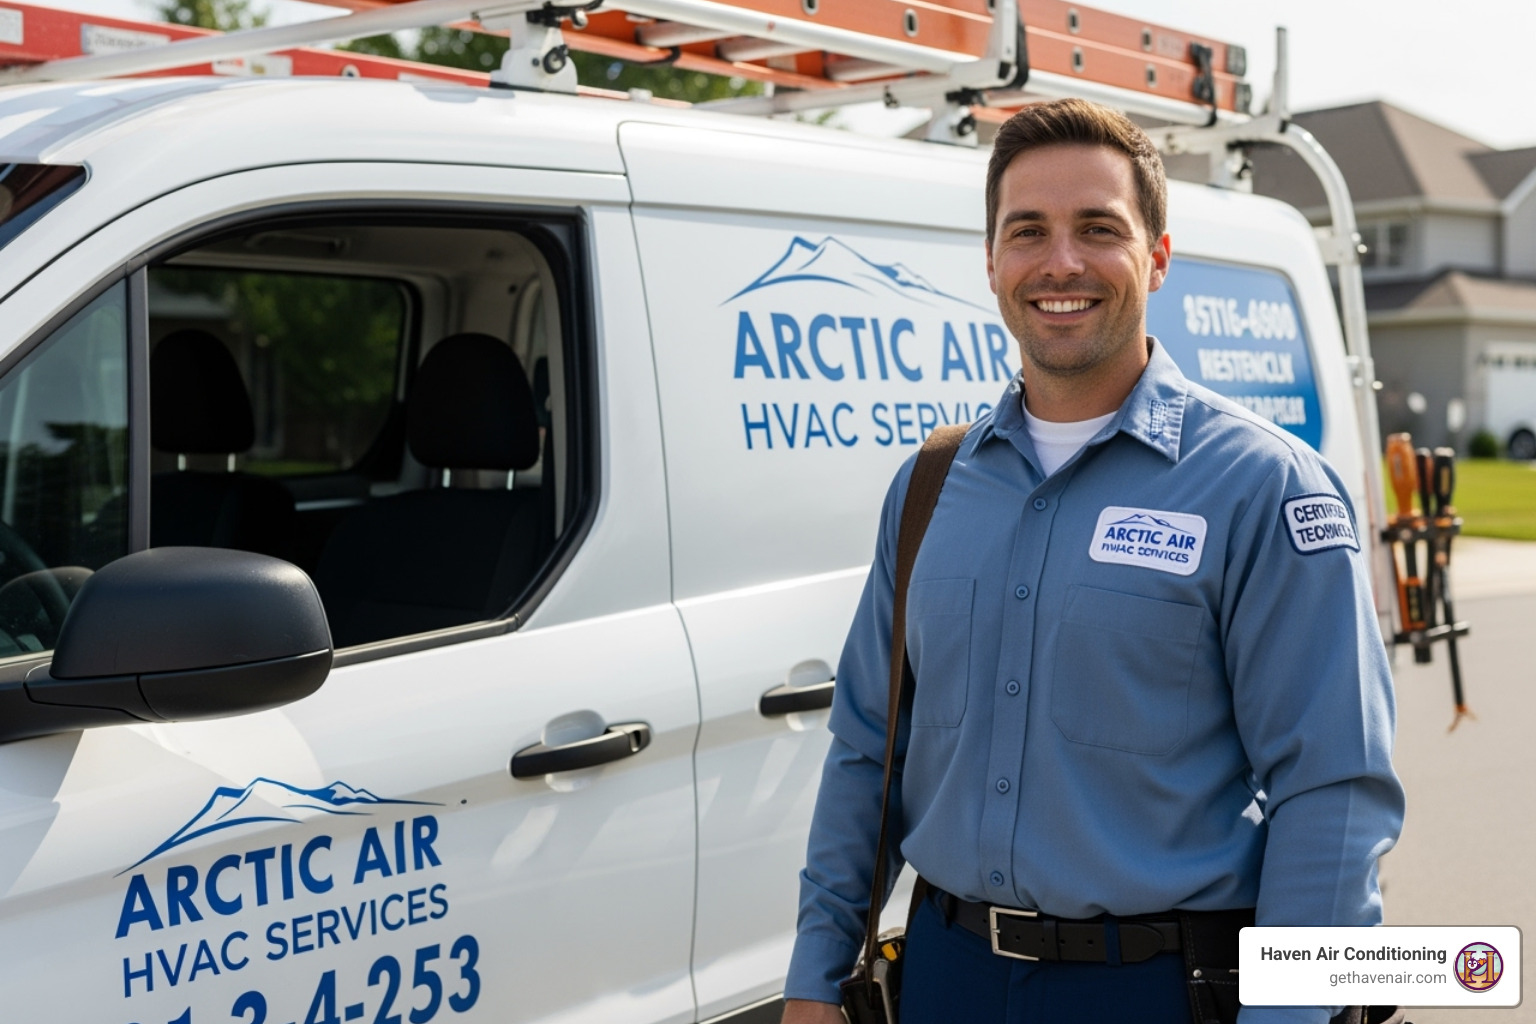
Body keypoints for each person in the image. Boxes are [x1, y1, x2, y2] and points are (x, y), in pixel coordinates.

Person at [781, 98, 1405, 1024]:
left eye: (1098, 230)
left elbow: (1334, 793)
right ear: (991, 261)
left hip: (1158, 989)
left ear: (1156, 255)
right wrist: (815, 976)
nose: (1059, 263)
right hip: (947, 979)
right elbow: (868, 752)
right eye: (1027, 231)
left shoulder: (1262, 487)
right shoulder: (928, 489)